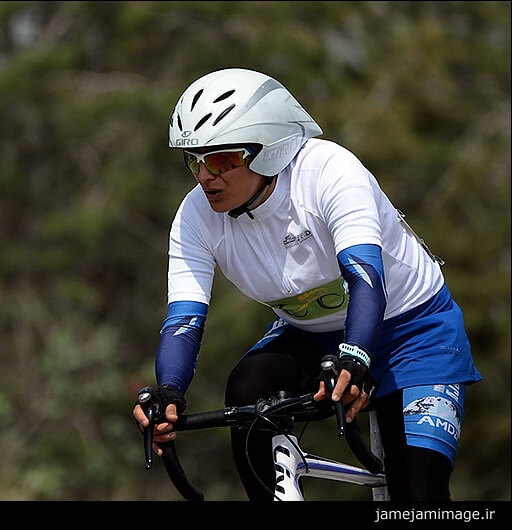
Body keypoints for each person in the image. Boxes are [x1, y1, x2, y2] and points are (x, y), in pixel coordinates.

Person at [132, 68, 482, 501]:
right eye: (194, 160)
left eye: (221, 159)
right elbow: (184, 321)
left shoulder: (330, 171)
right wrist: (168, 392)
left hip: (411, 333)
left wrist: (355, 360)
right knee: (248, 386)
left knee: (419, 494)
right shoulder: (194, 216)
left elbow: (366, 279)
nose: (204, 176)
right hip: (309, 336)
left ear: (269, 150)